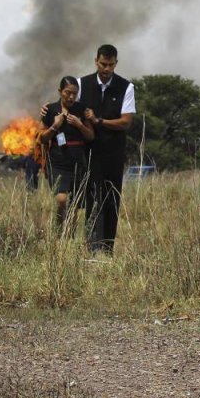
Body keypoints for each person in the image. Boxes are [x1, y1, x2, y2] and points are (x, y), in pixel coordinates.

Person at [78, 44, 136, 253]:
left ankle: (107, 249)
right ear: (96, 61)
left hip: (114, 152)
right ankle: (91, 247)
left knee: (112, 198)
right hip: (89, 152)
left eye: (111, 65)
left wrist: (99, 121)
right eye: (103, 64)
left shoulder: (126, 87)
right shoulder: (82, 84)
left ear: (116, 64)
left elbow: (125, 122)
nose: (107, 69)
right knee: (92, 198)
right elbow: (68, 108)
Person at [40, 76, 95, 232]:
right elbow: (42, 138)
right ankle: (58, 230)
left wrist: (79, 125)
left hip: (78, 161)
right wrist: (54, 126)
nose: (71, 97)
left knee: (74, 203)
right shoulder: (49, 110)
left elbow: (90, 136)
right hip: (58, 161)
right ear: (60, 91)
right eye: (67, 92)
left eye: (74, 93)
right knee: (61, 199)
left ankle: (68, 236)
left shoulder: (82, 109)